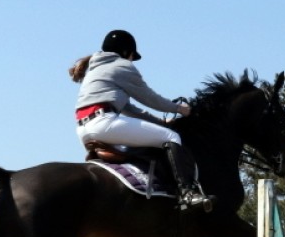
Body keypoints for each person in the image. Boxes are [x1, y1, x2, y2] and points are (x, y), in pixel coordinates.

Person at [70, 29, 212, 211]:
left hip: (84, 128)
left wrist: (159, 122)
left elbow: (130, 110)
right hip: (103, 123)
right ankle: (188, 193)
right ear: (124, 51)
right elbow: (149, 98)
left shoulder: (95, 69)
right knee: (171, 137)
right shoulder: (122, 66)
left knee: (155, 138)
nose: (131, 60)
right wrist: (178, 109)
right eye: (131, 55)